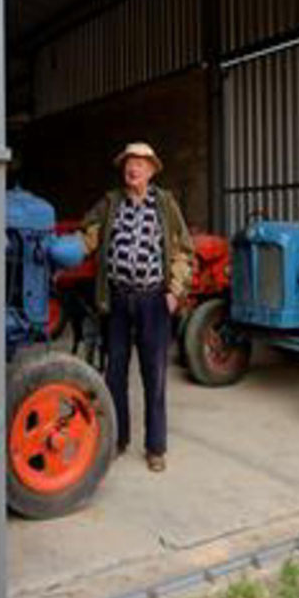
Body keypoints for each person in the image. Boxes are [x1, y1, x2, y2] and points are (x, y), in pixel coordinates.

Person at [79, 142, 193, 472]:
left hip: (153, 300)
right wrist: (68, 248)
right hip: (117, 299)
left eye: (140, 163)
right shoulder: (111, 203)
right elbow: (88, 234)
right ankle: (119, 438)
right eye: (129, 163)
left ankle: (155, 447)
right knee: (115, 372)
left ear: (152, 170)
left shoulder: (165, 204)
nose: (133, 168)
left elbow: (183, 250)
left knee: (153, 375)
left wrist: (174, 292)